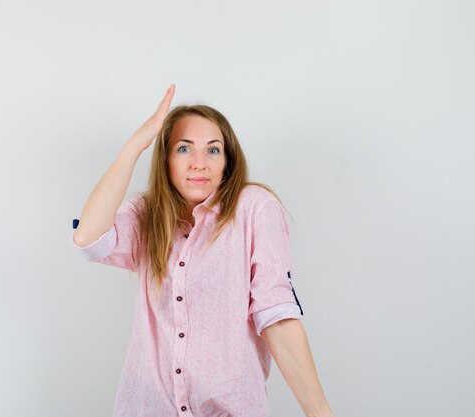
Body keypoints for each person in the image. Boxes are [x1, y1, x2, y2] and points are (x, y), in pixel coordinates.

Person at [71, 84, 335, 417]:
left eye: (213, 150)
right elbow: (88, 240)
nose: (199, 163)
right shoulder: (146, 214)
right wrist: (135, 145)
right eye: (184, 149)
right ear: (165, 159)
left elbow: (276, 315)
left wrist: (321, 413)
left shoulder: (254, 209)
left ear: (227, 161)